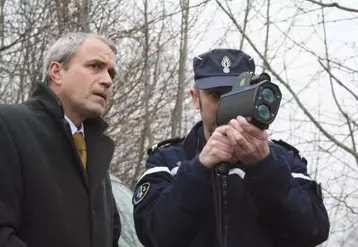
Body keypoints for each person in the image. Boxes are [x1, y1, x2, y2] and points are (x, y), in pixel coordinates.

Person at [132, 48, 330, 247]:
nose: (226, 105)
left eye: (235, 94)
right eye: (216, 95)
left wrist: (264, 167)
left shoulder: (284, 160)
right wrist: (199, 168)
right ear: (195, 98)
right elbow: (155, 235)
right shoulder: (167, 160)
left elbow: (312, 232)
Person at [0, 32, 121, 247]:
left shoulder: (95, 151)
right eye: (95, 66)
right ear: (57, 72)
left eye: (111, 73)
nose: (107, 80)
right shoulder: (8, 125)